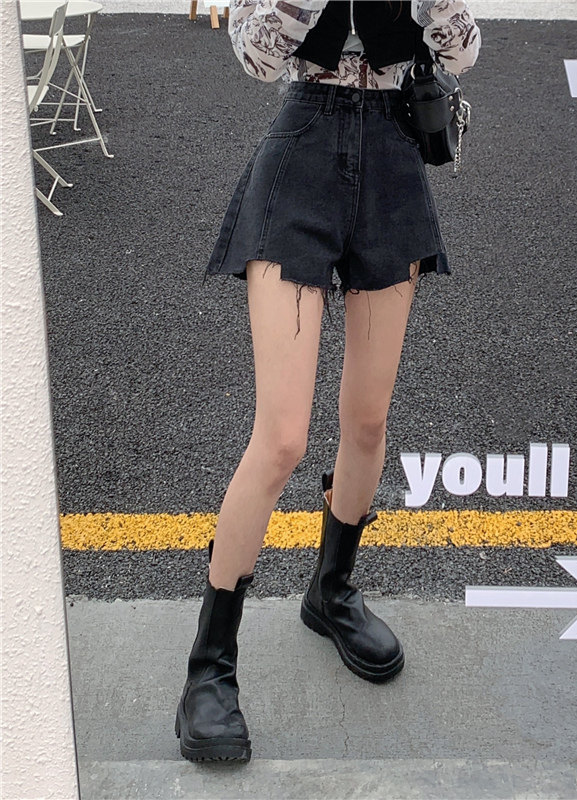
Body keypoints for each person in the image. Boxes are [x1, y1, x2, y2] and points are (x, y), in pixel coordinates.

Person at [175, 0, 481, 763]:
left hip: (392, 159)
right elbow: (254, 56)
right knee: (281, 437)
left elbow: (463, 51)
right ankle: (209, 665)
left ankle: (331, 590)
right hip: (302, 151)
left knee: (368, 420)